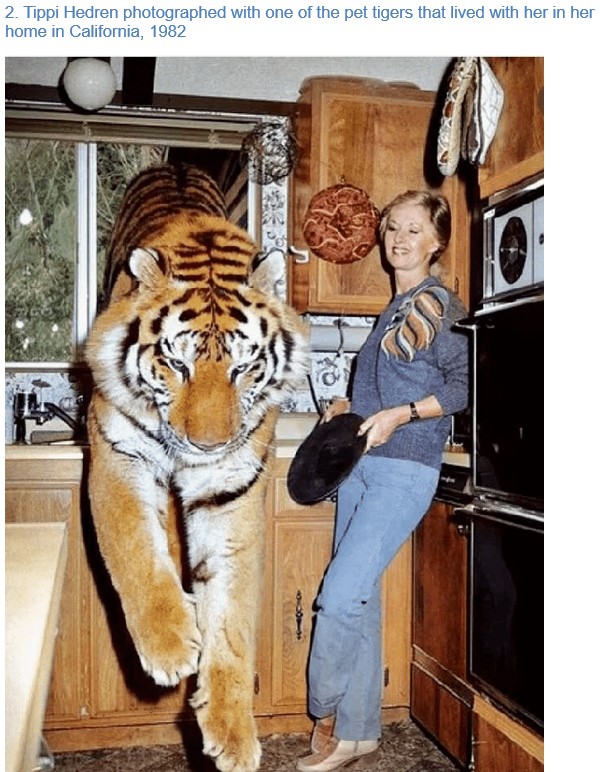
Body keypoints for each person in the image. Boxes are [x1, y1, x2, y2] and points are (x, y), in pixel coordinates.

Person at [296, 190, 469, 772]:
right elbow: (382, 390)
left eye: (414, 230)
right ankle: (359, 733)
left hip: (405, 468)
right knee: (360, 600)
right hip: (361, 465)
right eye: (393, 227)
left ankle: (324, 711)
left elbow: (464, 385)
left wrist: (403, 414)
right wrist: (349, 409)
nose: (400, 239)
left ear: (437, 242)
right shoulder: (393, 309)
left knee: (337, 598)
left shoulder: (439, 306)